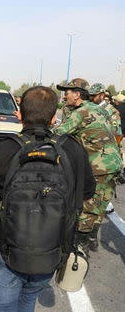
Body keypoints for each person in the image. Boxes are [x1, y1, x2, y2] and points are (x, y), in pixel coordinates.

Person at [0, 86, 95, 312]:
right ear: (55, 118)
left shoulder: (6, 148)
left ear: (20, 115)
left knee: (3, 305)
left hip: (8, 251)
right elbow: (86, 193)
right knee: (28, 300)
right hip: (52, 250)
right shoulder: (73, 149)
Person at [53, 78, 123, 254]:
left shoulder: (81, 112)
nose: (65, 95)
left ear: (77, 94)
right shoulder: (100, 110)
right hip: (113, 165)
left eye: (67, 92)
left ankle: (79, 247)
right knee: (99, 206)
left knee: (87, 206)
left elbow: (59, 134)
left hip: (98, 168)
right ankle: (91, 240)